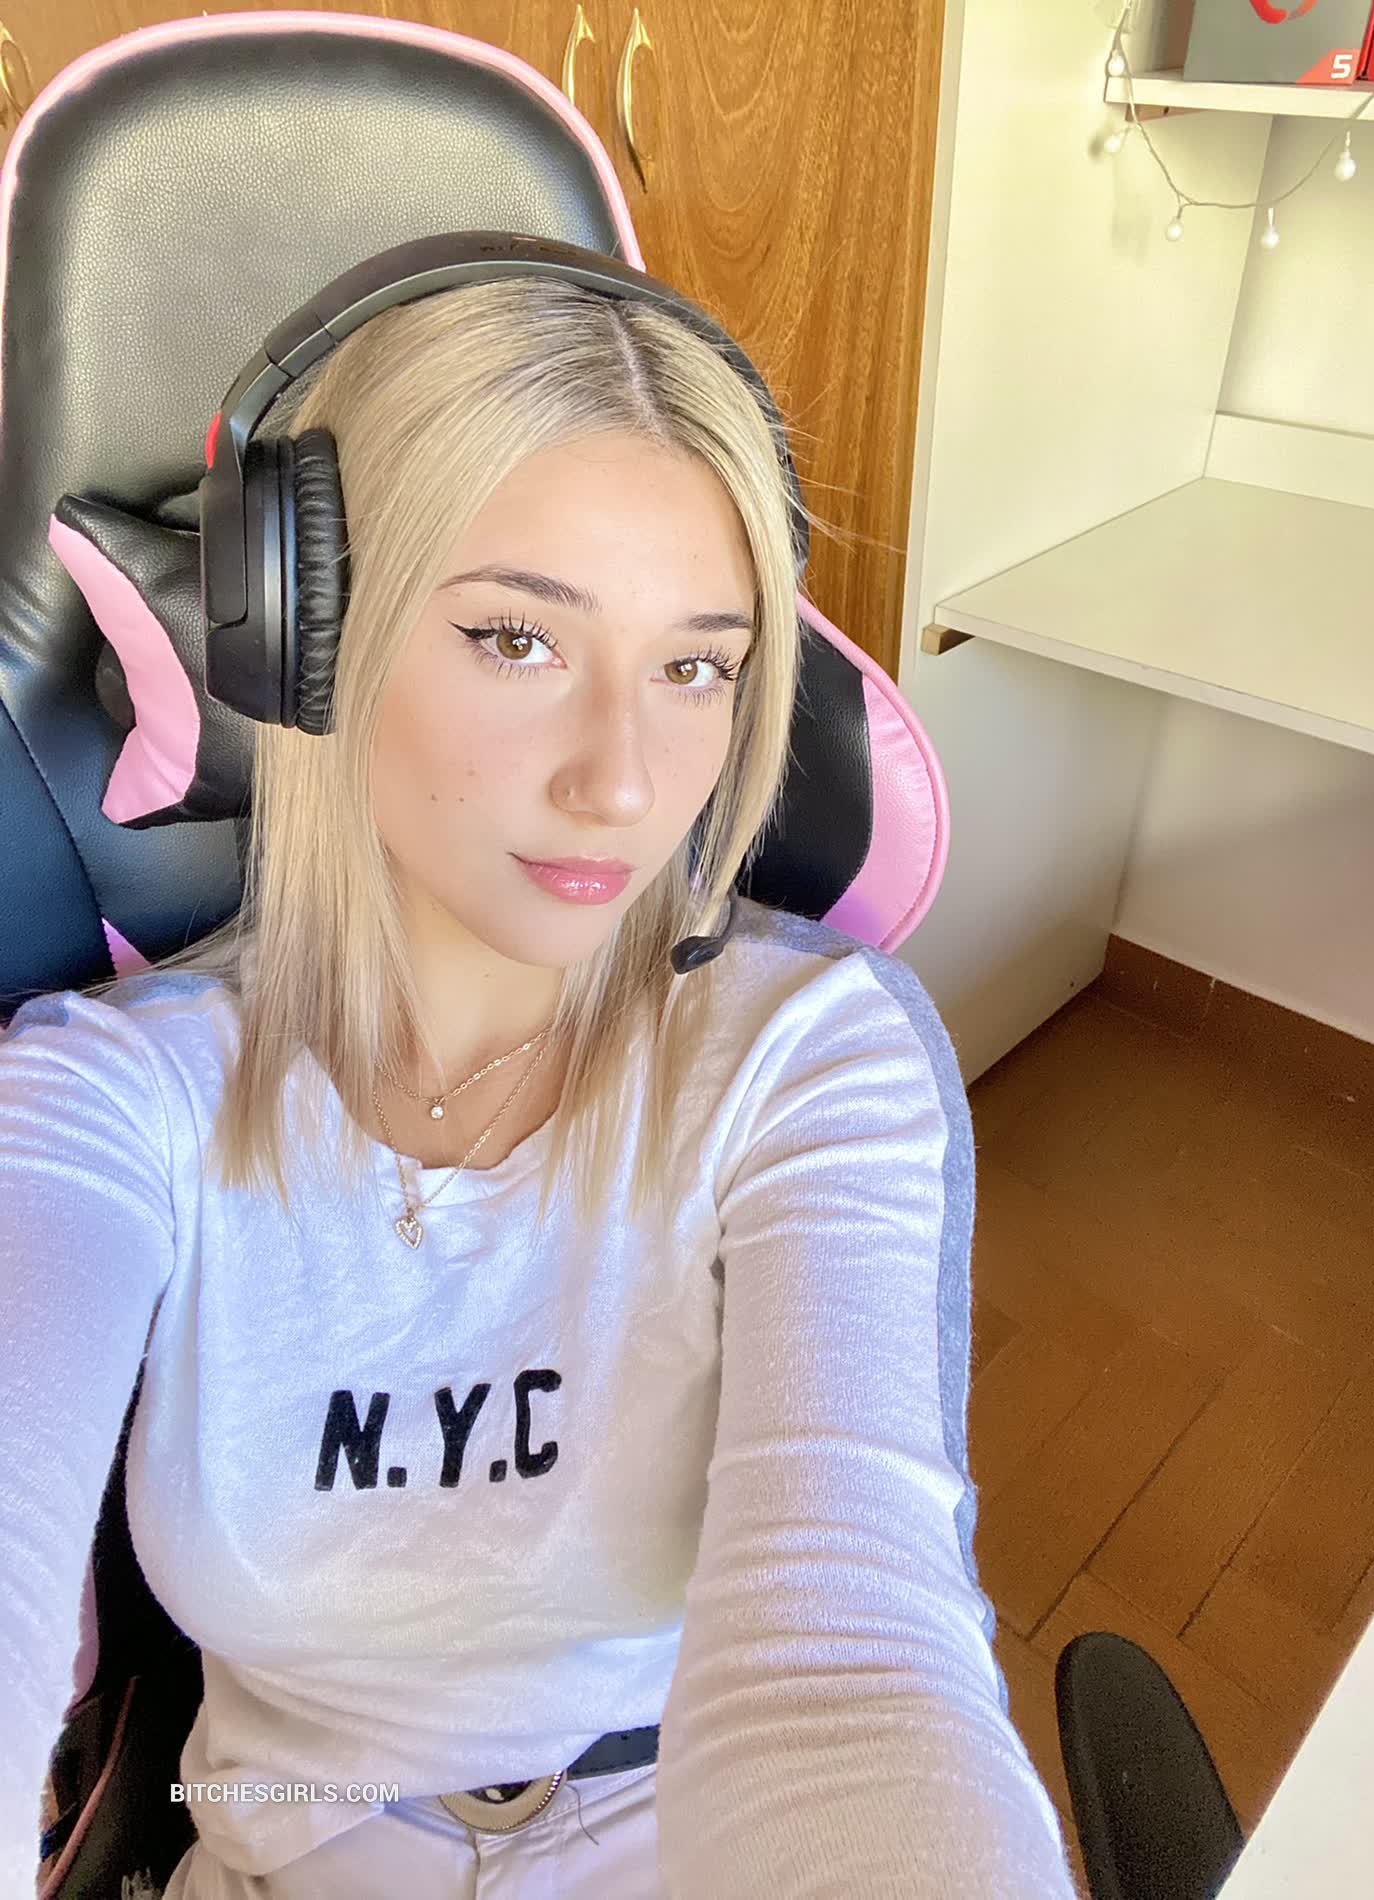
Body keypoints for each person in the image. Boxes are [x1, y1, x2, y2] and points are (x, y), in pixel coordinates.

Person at [0, 276, 1076, 1897]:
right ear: (304, 641)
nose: (623, 783)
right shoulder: (106, 1102)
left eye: (694, 668)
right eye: (515, 640)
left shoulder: (806, 1058)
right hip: (297, 1838)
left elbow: (856, 1672)